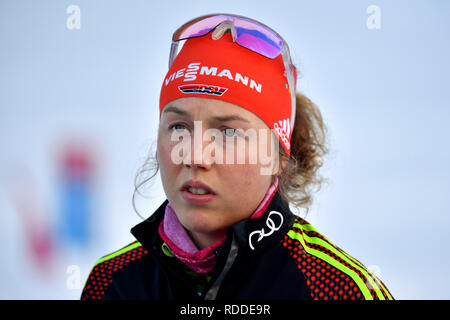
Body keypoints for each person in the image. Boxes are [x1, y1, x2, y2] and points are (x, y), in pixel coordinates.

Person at [81, 13, 393, 300]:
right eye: (179, 127)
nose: (195, 155)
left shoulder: (336, 290)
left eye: (228, 133)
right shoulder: (113, 283)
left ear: (277, 156)